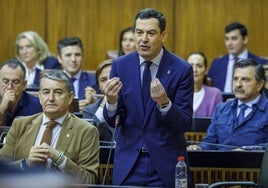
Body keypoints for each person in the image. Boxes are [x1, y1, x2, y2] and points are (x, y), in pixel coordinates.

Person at [103, 8, 194, 187]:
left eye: (151, 33)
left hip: (165, 163)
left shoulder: (182, 69)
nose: (143, 39)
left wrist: (165, 104)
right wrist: (111, 102)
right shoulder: (120, 65)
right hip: (130, 162)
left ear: (163, 34)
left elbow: (184, 122)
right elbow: (114, 119)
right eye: (139, 32)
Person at [0, 70, 99, 184]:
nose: (51, 98)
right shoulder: (20, 125)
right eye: (46, 92)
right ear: (40, 96)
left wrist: (60, 159)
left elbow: (89, 180)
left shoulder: (86, 131)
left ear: (70, 97)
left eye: (58, 92)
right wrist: (25, 164)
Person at [188, 59, 268, 151]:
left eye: (245, 80)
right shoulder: (221, 109)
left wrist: (247, 150)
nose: (238, 84)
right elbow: (210, 141)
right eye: (235, 79)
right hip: (221, 164)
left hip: (253, 164)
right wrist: (199, 148)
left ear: (259, 85)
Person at [207, 22, 267, 93]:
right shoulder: (216, 64)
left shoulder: (260, 63)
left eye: (234, 38)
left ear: (245, 39)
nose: (229, 43)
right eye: (227, 39)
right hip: (221, 102)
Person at [57, 37, 100, 112]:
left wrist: (93, 104)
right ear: (59, 58)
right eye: (68, 55)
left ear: (83, 57)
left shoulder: (94, 82)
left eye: (77, 55)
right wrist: (71, 109)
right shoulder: (52, 82)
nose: (73, 59)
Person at [0, 58, 42, 127]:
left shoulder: (37, 105)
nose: (9, 87)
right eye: (5, 81)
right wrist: (1, 110)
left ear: (24, 85)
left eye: (15, 82)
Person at [83, 59, 114, 144]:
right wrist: (104, 105)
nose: (109, 83)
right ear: (98, 85)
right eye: (103, 80)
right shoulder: (90, 110)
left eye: (112, 77)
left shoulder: (135, 105)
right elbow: (87, 139)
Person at [187, 52, 222, 117]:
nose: (194, 70)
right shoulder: (177, 92)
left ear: (206, 70)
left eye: (199, 66)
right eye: (190, 66)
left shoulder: (215, 94)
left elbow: (218, 123)